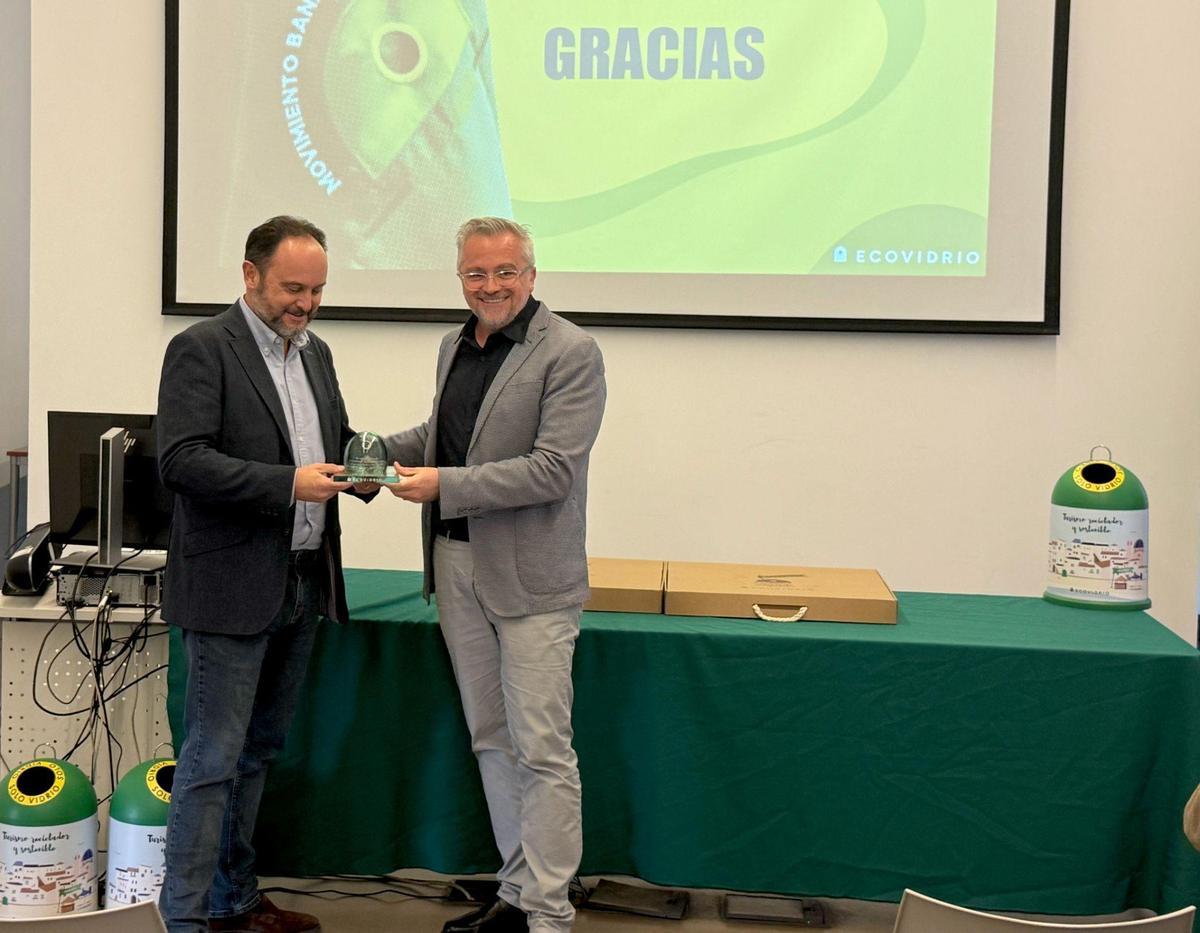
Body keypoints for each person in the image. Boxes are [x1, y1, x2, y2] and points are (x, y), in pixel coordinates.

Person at [383, 217, 606, 933]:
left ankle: (549, 914)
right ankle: (517, 893)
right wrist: (369, 453)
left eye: (505, 272)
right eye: (476, 273)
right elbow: (445, 437)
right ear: (461, 278)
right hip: (455, 565)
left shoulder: (571, 352)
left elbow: (552, 470)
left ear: (531, 275)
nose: (491, 285)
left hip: (532, 580)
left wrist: (443, 484)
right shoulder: (454, 345)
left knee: (542, 749)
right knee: (490, 737)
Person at [156, 215, 366, 933]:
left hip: (302, 583)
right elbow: (181, 460)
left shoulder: (317, 354)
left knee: (257, 754)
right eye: (292, 288)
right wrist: (287, 484)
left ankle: (234, 902)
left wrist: (369, 469)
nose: (306, 303)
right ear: (250, 275)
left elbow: (331, 443)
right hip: (229, 592)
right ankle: (184, 920)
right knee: (211, 761)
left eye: (317, 290)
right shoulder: (201, 348)